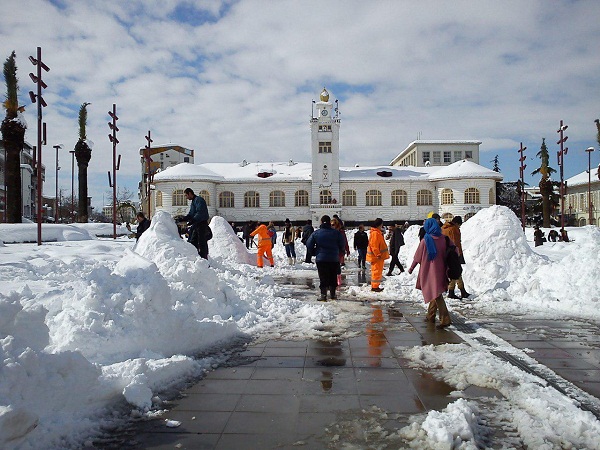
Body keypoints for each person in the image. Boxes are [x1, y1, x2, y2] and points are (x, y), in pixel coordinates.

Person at [408, 218, 454, 329]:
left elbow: (417, 257)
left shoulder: (426, 240)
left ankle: (445, 319)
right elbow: (455, 250)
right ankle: (431, 315)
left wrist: (411, 268)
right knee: (436, 291)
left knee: (436, 294)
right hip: (442, 270)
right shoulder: (444, 239)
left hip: (429, 271)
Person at [306, 215, 345, 301]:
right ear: (329, 222)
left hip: (321, 259)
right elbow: (342, 244)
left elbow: (309, 244)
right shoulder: (336, 233)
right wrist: (340, 251)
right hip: (334, 258)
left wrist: (314, 252)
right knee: (333, 276)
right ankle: (333, 294)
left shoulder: (316, 233)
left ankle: (323, 295)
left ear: (321, 222)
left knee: (323, 277)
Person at [441, 216, 470, 299]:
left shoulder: (444, 228)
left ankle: (462, 291)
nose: (459, 227)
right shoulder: (453, 229)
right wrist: (459, 254)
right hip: (453, 253)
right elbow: (455, 243)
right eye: (459, 225)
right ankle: (452, 292)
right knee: (455, 272)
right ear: (457, 223)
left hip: (446, 253)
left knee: (456, 272)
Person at [182, 188, 210, 259]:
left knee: (201, 242)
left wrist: (193, 220)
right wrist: (184, 218)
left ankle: (203, 258)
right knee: (193, 241)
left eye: (186, 195)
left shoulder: (199, 200)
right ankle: (196, 257)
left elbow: (200, 212)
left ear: (190, 193)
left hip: (201, 225)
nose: (186, 197)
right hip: (196, 225)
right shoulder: (194, 201)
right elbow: (191, 213)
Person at [367, 218, 389, 292]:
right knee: (376, 271)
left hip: (378, 256)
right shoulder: (375, 233)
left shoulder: (377, 232)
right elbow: (374, 246)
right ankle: (375, 286)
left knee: (377, 271)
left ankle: (375, 286)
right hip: (377, 257)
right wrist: (378, 254)